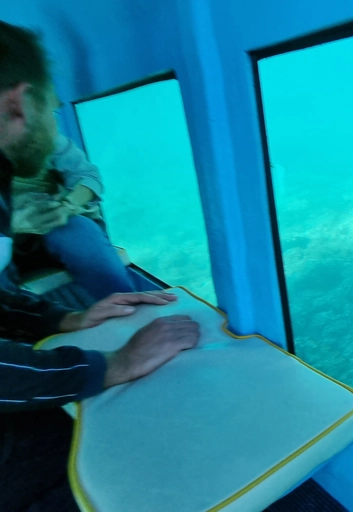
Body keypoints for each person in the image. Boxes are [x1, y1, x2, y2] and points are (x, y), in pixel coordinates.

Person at [0, 20, 201, 511]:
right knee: (126, 461)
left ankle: (122, 310)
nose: (55, 123)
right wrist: (114, 364)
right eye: (52, 109)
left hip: (50, 230)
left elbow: (87, 177)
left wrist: (63, 318)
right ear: (19, 105)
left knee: (81, 238)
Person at [11, 132, 135, 302]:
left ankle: (128, 308)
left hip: (56, 220)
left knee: (82, 237)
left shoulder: (38, 131)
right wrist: (11, 224)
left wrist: (68, 205)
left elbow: (87, 175)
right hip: (7, 235)